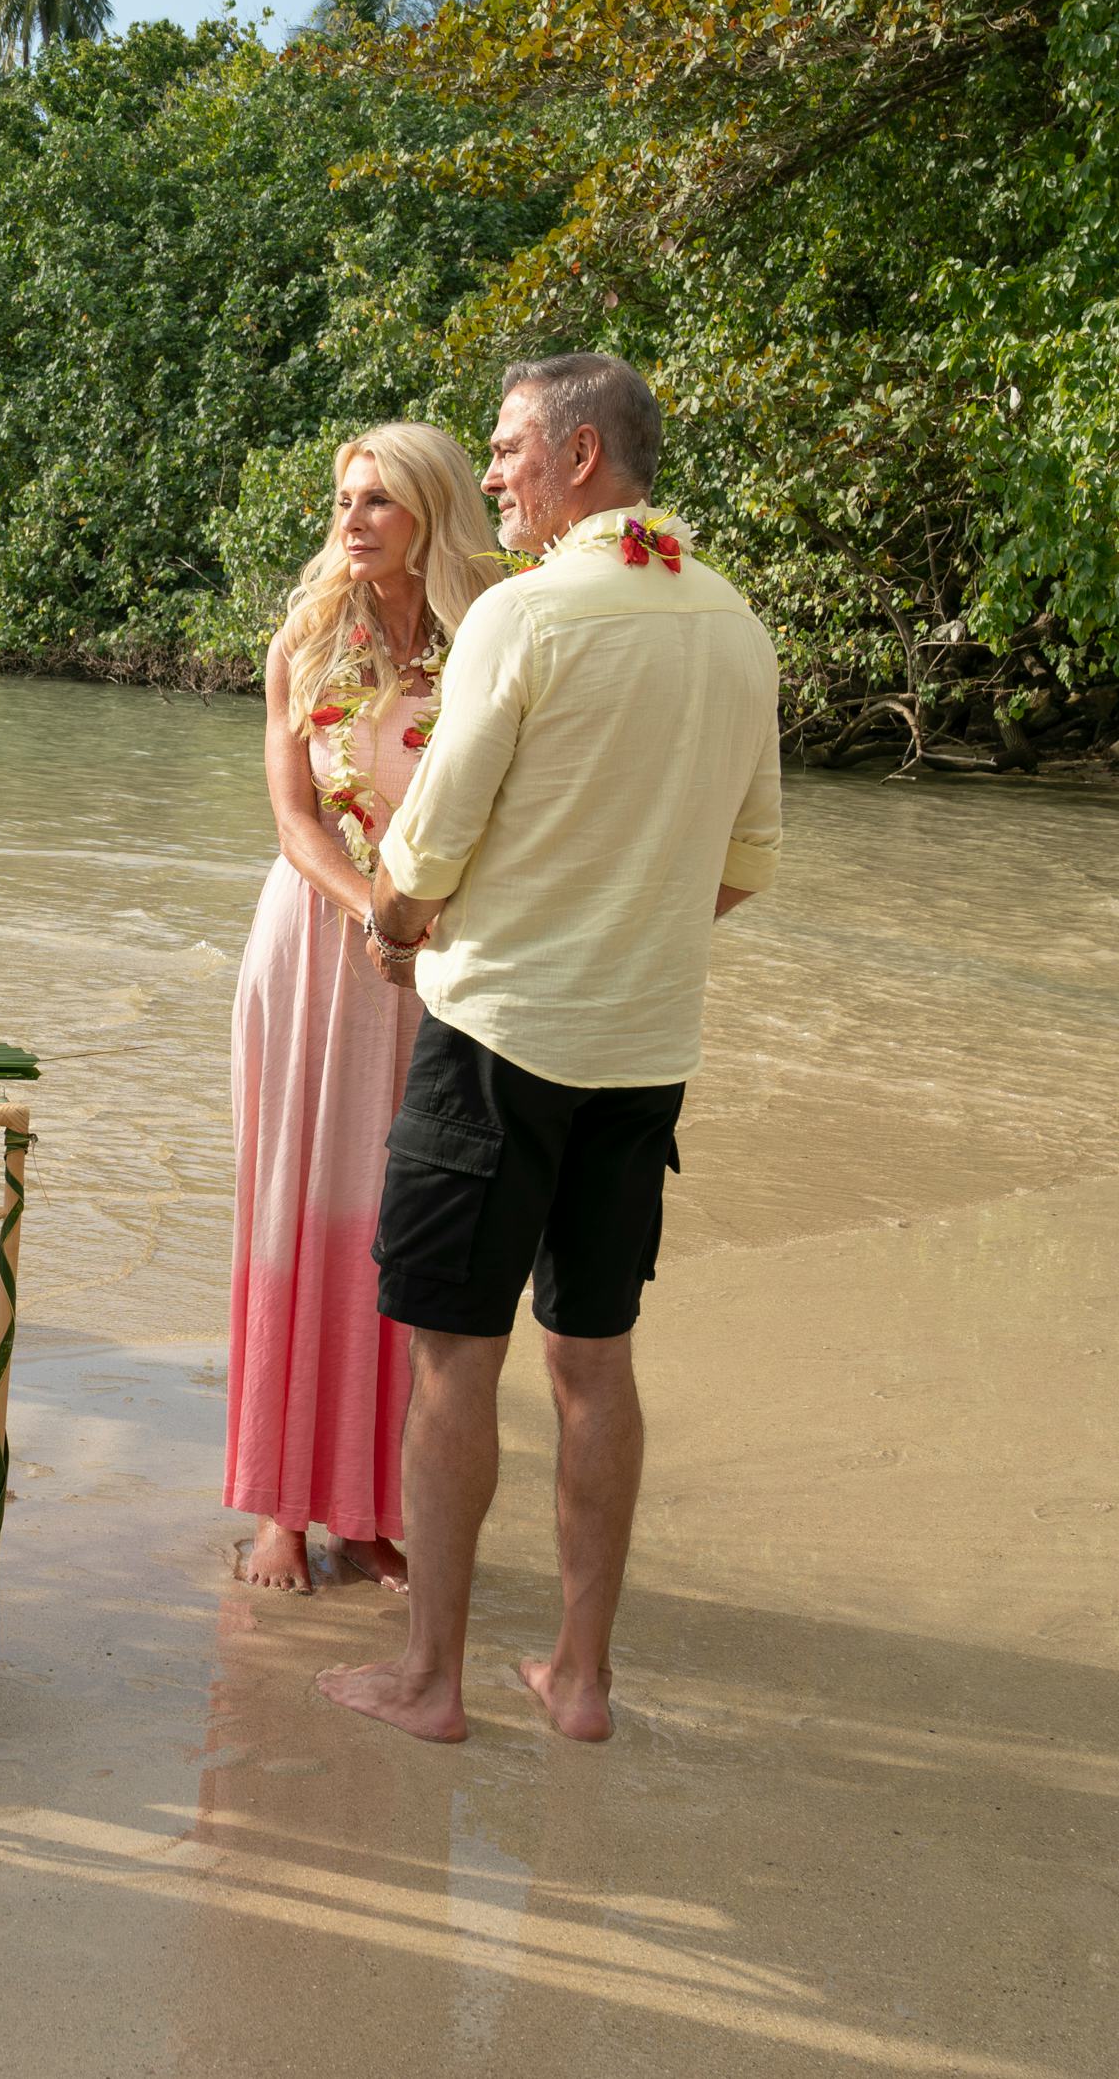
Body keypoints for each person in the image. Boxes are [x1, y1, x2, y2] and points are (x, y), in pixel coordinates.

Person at [319, 353, 781, 1745]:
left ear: (583, 459)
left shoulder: (523, 616)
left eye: (513, 447)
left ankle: (431, 1678)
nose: (497, 470)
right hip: (646, 1051)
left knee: (454, 1357)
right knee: (596, 1355)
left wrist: (398, 929)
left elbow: (427, 848)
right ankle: (580, 1678)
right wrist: (628, 921)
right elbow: (745, 864)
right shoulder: (738, 624)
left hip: (500, 1034)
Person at [226, 424, 499, 1594]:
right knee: (295, 1217)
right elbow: (293, 824)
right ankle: (281, 1506)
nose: (352, 520)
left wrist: (427, 928)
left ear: (432, 514)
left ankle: (370, 1509)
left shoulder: (489, 639)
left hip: (438, 960)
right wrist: (376, 915)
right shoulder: (305, 641)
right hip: (319, 951)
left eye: (380, 500)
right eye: (344, 498)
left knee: (404, 1230)